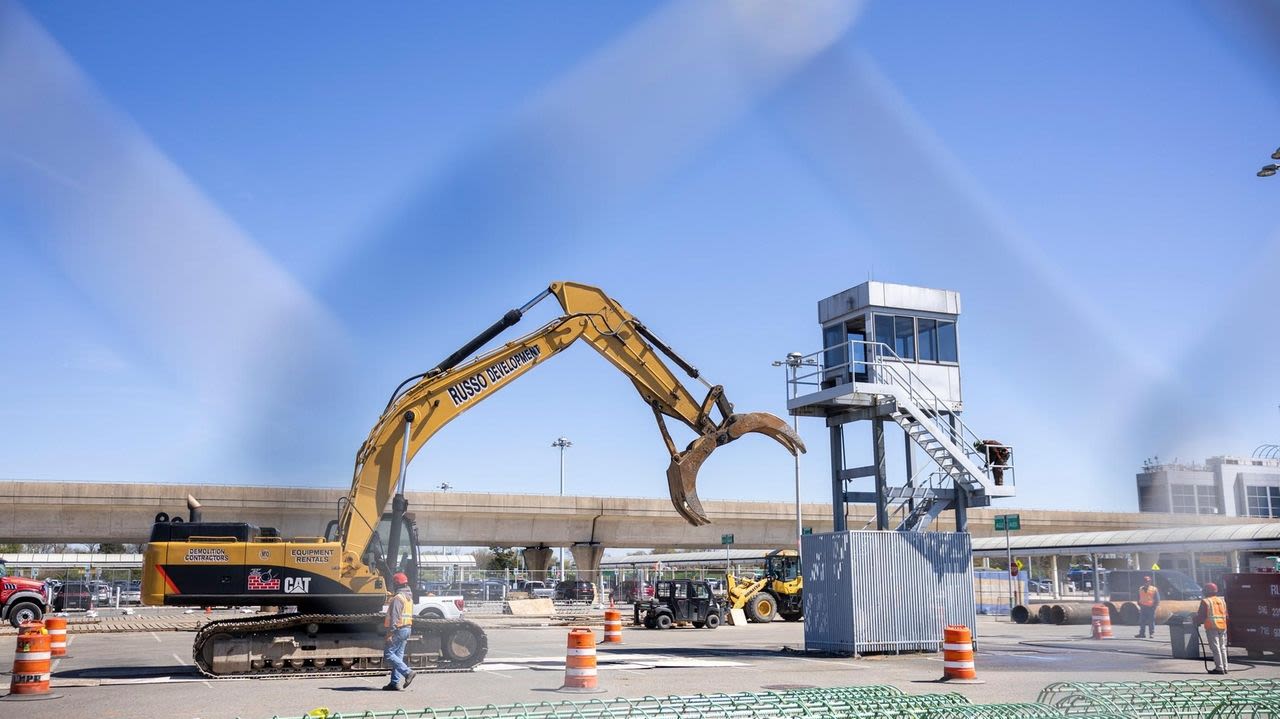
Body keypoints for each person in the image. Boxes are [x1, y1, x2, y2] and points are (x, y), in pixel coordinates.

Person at [382, 572, 417, 691]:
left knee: (388, 654)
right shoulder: (409, 598)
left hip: (399, 629)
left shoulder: (398, 598)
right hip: (407, 628)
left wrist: (390, 633)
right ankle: (394, 683)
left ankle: (408, 673)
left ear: (396, 584)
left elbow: (395, 617)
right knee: (398, 656)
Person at [1195, 582, 1229, 675]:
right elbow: (1226, 614)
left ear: (1207, 591)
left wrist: (1196, 622)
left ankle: (1219, 668)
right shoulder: (1221, 601)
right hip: (1222, 626)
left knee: (1215, 648)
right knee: (1222, 647)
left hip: (1212, 627)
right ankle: (1225, 667)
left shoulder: (1205, 601)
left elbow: (1201, 615)